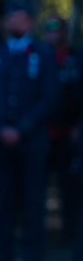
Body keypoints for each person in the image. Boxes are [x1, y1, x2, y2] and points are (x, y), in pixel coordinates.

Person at [0, 0, 58, 261]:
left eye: (20, 16)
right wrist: (0, 126)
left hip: (32, 142)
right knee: (1, 204)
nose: (14, 21)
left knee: (32, 203)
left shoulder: (43, 52)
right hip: (0, 141)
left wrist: (23, 127)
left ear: (29, 21)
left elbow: (50, 96)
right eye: (10, 16)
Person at [42, 14, 82, 243]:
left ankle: (70, 235)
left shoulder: (75, 58)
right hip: (42, 133)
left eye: (58, 29)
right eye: (49, 29)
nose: (53, 33)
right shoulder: (36, 56)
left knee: (70, 188)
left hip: (69, 134)